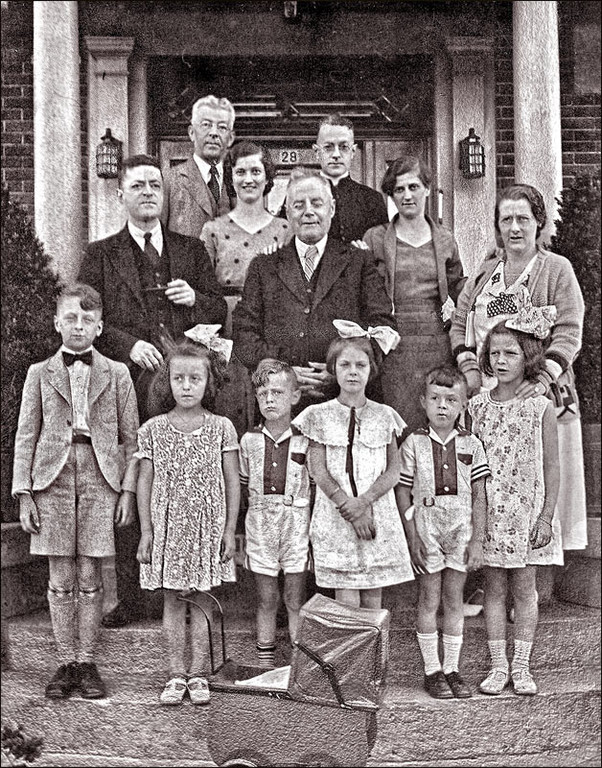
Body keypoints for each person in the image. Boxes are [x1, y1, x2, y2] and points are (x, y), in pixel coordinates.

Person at [79, 153, 227, 628]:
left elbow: (219, 310)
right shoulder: (101, 253)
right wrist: (128, 344)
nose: (147, 193)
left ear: (164, 197)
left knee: (194, 478)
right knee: (135, 473)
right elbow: (85, 316)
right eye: (138, 185)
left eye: (155, 187)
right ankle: (133, 593)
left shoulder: (190, 249)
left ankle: (200, 581)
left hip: (187, 385)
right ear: (120, 194)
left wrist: (196, 300)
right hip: (131, 381)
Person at [12, 284, 139, 699]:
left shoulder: (118, 373)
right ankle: (65, 660)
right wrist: (25, 492)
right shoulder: (39, 373)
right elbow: (26, 435)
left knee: (89, 575)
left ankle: (86, 661)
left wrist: (127, 491)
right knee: (60, 577)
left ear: (100, 326)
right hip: (53, 479)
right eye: (70, 318)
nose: (78, 325)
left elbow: (130, 439)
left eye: (87, 319)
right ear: (56, 323)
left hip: (101, 477)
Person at [450, 184, 586, 552]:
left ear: (538, 222)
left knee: (539, 475)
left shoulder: (556, 269)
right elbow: (461, 321)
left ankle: (538, 575)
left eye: (522, 219)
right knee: (493, 478)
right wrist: (470, 371)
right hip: (488, 397)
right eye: (506, 219)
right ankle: (497, 565)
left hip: (537, 393)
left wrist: (542, 380)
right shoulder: (485, 272)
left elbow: (570, 330)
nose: (514, 227)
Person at [233, 167, 397, 413]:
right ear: (287, 213)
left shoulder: (358, 262)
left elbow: (383, 324)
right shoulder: (263, 266)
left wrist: (343, 369)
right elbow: (244, 334)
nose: (308, 211)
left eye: (316, 203)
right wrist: (283, 371)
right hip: (281, 408)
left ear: (331, 209)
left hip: (344, 402)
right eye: (298, 205)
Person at [136, 328, 239, 706]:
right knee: (174, 602)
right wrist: (147, 532)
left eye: (195, 379)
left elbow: (231, 482)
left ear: (208, 382)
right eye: (178, 378)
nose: (186, 386)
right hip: (167, 525)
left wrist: (229, 530)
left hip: (206, 525)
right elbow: (145, 482)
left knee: (204, 600)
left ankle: (200, 673)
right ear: (168, 381)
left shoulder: (221, 427)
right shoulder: (153, 430)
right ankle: (176, 672)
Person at [468, 319, 561, 696]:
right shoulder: (476, 407)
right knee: (493, 590)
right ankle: (498, 665)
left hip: (527, 513)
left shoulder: (541, 407)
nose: (502, 361)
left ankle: (521, 667)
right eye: (495, 353)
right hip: (490, 512)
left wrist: (545, 516)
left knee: (525, 590)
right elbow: (469, 467)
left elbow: (551, 466)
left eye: (511, 353)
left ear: (528, 357)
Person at [292, 328, 414, 610]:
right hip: (337, 517)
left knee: (373, 600)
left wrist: (364, 503)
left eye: (361, 365)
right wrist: (347, 505)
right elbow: (318, 470)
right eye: (345, 365)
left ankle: (376, 656)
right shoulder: (318, 415)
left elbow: (393, 471)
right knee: (346, 601)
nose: (352, 372)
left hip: (375, 516)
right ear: (333, 369)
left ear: (371, 370)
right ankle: (350, 657)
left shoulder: (385, 416)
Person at [395, 366, 489, 700]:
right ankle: (432, 670)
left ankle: (452, 668)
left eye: (451, 400)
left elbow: (480, 495)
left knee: (453, 599)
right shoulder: (414, 443)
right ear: (423, 402)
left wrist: (477, 540)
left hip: (461, 527)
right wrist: (412, 537)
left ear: (464, 405)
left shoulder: (472, 444)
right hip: (427, 525)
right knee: (429, 597)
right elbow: (403, 492)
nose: (442, 406)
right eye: (435, 398)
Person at [363, 155, 466, 431]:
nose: (407, 195)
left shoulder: (445, 238)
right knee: (400, 422)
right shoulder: (375, 238)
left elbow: (460, 288)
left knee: (435, 415)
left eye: (414, 187)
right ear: (391, 195)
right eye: (399, 189)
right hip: (394, 343)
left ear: (427, 189)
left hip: (436, 341)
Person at [201, 141, 292, 435]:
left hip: (272, 325)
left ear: (268, 177)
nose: (248, 179)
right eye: (241, 172)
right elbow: (203, 289)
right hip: (226, 329)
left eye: (256, 171)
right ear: (231, 177)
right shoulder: (213, 230)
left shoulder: (285, 230)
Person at [240, 359, 311, 669]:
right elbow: (241, 488)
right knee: (267, 597)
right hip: (260, 524)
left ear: (294, 396)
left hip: (297, 524)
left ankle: (298, 665)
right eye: (262, 393)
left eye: (277, 392)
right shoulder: (249, 441)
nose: (269, 400)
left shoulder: (307, 440)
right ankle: (265, 662)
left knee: (295, 598)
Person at [163, 95, 236, 237]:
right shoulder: (170, 181)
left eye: (222, 127)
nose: (214, 133)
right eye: (206, 125)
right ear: (191, 132)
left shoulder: (239, 182)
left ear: (231, 138)